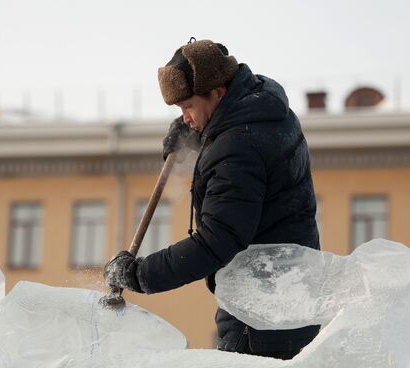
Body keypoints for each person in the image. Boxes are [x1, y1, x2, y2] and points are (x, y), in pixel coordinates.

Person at [103, 38, 320, 359]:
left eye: (189, 107)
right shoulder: (266, 108)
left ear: (218, 92)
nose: (186, 117)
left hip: (259, 317)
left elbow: (217, 241)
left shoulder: (238, 148)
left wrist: (138, 274)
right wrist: (195, 129)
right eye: (180, 110)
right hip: (289, 295)